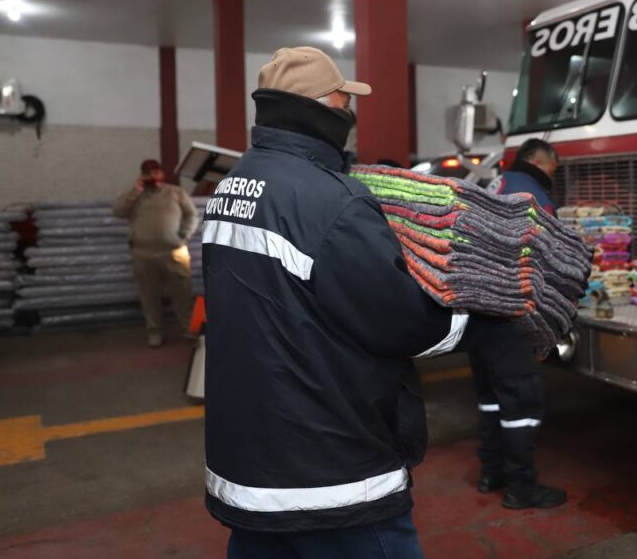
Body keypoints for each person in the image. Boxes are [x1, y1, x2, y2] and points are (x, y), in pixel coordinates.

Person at [202, 46, 466, 559]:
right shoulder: (334, 202)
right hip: (332, 473)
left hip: (250, 466)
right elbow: (403, 324)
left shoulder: (231, 186)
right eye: (346, 99)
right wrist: (475, 318)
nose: (351, 111)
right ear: (325, 109)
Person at [468, 138, 566, 509]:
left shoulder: (496, 184)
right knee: (521, 404)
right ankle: (521, 488)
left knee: (490, 398)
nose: (552, 177)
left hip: (478, 308)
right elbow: (548, 253)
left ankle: (490, 473)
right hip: (511, 310)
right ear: (540, 162)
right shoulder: (533, 196)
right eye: (553, 170)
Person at [112, 158, 198, 347]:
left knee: (183, 293)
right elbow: (118, 211)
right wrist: (136, 190)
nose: (153, 175)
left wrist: (183, 235)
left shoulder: (175, 193)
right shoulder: (135, 195)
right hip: (143, 254)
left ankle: (191, 329)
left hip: (174, 252)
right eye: (148, 172)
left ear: (162, 173)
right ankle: (155, 332)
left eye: (156, 171)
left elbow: (192, 214)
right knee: (149, 296)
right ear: (142, 175)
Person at [486, 138, 559, 214]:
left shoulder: (499, 180)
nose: (551, 177)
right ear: (537, 163)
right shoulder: (541, 203)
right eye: (551, 172)